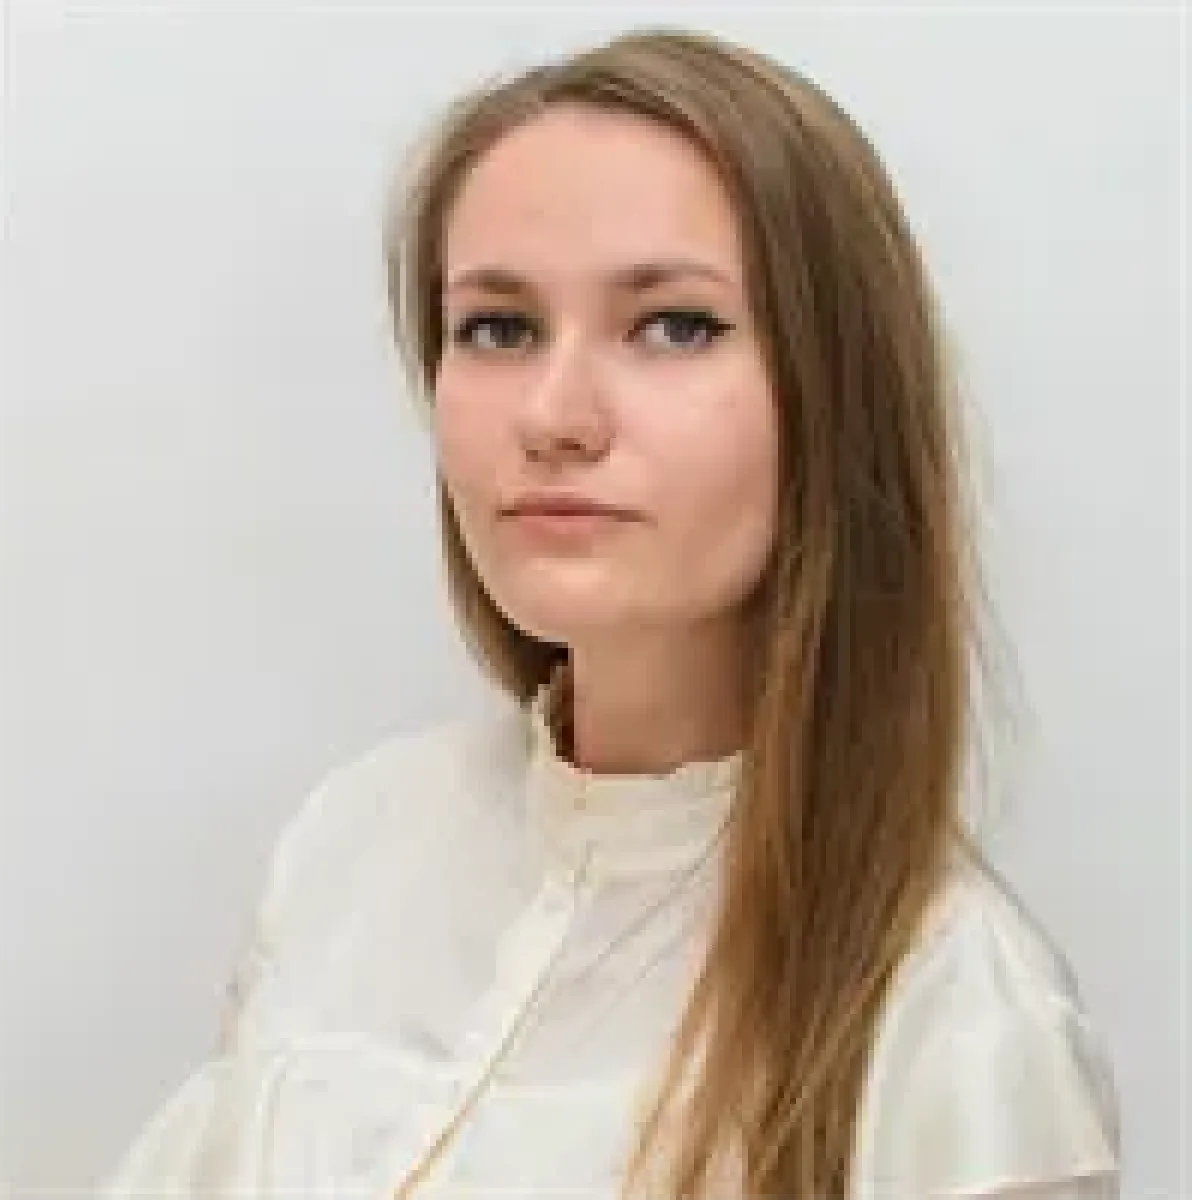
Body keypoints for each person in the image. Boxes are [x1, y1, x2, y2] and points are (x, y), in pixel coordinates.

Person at [97, 26, 1121, 1200]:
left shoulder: (962, 1029)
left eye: (674, 326)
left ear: (835, 397)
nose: (554, 414)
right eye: (498, 328)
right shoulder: (354, 845)